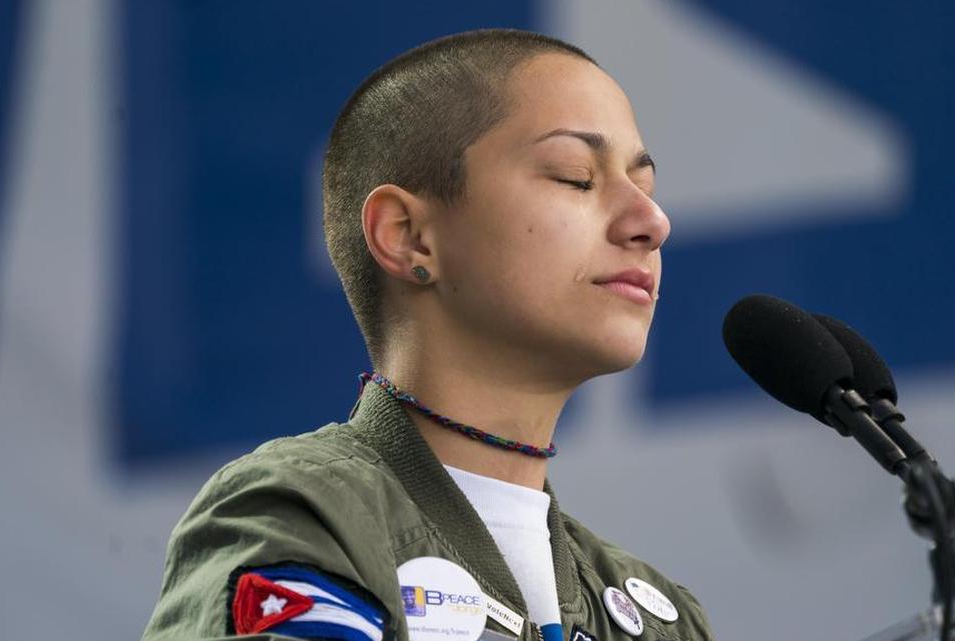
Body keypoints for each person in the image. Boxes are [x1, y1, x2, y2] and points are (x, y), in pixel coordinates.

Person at [141, 28, 714, 641]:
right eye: (576, 177)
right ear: (408, 235)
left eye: (645, 188)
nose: (652, 222)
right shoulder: (306, 515)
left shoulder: (659, 619)